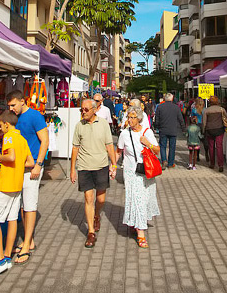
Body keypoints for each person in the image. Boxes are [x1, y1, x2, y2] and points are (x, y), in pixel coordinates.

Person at [0, 111, 34, 279]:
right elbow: (30, 162)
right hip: (17, 184)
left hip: (7, 184)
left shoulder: (10, 137)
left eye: (0, 124)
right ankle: (6, 256)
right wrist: (18, 165)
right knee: (12, 219)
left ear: (6, 123)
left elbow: (10, 156)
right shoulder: (22, 139)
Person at [6, 90, 49, 264]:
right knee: (23, 206)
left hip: (32, 167)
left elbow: (45, 140)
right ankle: (28, 241)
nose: (11, 108)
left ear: (22, 102)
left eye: (13, 105)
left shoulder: (35, 116)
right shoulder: (14, 118)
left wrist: (38, 164)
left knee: (29, 205)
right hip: (19, 166)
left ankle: (26, 246)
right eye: (9, 106)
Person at [70, 99, 117, 248]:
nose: (83, 112)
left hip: (101, 165)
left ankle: (97, 215)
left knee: (101, 199)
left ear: (94, 110)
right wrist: (72, 169)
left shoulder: (103, 124)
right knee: (88, 198)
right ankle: (91, 232)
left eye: (86, 110)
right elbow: (75, 148)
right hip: (84, 166)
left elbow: (109, 145)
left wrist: (114, 164)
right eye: (81, 110)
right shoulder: (79, 126)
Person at [116, 106, 160, 248]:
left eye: (133, 117)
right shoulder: (124, 134)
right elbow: (119, 151)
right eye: (128, 117)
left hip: (146, 170)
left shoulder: (147, 132)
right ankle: (140, 233)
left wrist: (148, 143)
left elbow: (157, 150)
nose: (130, 120)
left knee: (145, 198)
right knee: (136, 199)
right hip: (131, 172)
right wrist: (112, 166)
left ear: (139, 118)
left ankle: (134, 221)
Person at [155, 93, 185, 170]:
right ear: (172, 99)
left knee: (163, 146)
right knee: (172, 147)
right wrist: (183, 128)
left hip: (163, 129)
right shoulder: (176, 107)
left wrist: (157, 127)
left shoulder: (160, 107)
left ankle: (164, 160)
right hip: (173, 130)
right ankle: (171, 163)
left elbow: (157, 119)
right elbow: (180, 119)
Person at [203, 96, 227, 172]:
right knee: (219, 147)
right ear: (217, 101)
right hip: (219, 129)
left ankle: (212, 164)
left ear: (210, 102)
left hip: (210, 130)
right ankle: (220, 164)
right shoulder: (221, 109)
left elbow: (204, 122)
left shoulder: (206, 110)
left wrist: (203, 130)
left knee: (211, 147)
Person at [191, 97, 208, 162]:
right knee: (205, 141)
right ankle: (206, 153)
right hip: (204, 125)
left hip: (197, 126)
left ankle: (197, 156)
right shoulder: (205, 110)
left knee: (197, 142)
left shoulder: (194, 110)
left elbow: (192, 118)